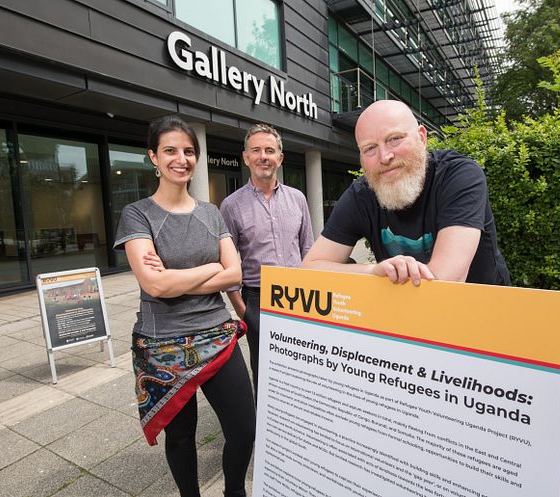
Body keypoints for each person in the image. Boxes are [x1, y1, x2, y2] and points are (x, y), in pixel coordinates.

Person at [113, 115, 255, 497]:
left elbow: (235, 274)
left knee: (244, 428)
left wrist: (182, 277)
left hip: (217, 336)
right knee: (180, 436)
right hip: (163, 346)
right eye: (170, 150)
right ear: (153, 158)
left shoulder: (211, 212)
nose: (181, 158)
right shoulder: (138, 214)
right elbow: (155, 284)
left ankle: (234, 491)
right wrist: (212, 267)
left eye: (189, 151)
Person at [302, 99, 510, 287]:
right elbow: (309, 269)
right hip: (409, 320)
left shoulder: (459, 176)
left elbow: (445, 282)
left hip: (484, 315)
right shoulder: (361, 195)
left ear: (422, 137)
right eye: (370, 148)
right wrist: (372, 271)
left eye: (394, 139)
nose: (385, 156)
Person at [220, 123, 314, 394]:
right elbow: (228, 262)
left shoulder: (298, 199)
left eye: (270, 150)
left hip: (300, 297)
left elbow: (308, 249)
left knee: (304, 364)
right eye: (256, 150)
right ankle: (268, 432)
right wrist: (241, 308)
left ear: (280, 158)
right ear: (246, 157)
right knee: (265, 370)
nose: (264, 156)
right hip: (258, 299)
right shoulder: (231, 205)